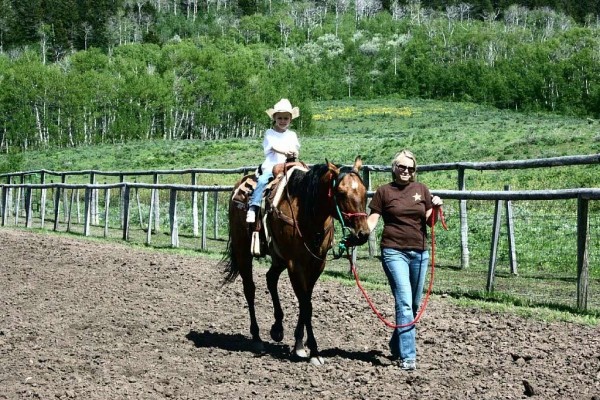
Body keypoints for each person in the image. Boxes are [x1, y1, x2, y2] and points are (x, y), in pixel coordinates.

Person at [366, 149, 443, 371]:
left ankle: (396, 342)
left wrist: (436, 207)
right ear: (394, 168)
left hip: (419, 252)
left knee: (414, 304)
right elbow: (372, 220)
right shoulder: (383, 192)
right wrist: (359, 234)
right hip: (393, 252)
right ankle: (408, 357)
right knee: (405, 303)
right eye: (402, 167)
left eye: (410, 168)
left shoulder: (422, 190)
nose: (406, 171)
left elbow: (430, 222)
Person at [246, 98, 301, 223]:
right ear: (274, 118)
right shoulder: (269, 133)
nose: (283, 121)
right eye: (280, 118)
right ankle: (253, 207)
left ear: (290, 119)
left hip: (289, 166)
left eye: (285, 118)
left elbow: (296, 148)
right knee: (262, 180)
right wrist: (284, 152)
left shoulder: (292, 135)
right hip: (272, 166)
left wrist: (294, 153)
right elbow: (272, 146)